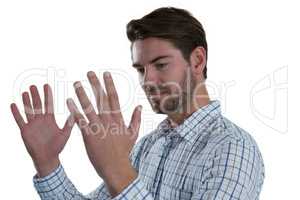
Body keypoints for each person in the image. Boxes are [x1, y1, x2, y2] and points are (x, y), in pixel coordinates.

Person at [10, 7, 265, 199]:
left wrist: (118, 171)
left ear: (197, 61)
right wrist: (47, 163)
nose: (147, 80)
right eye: (141, 69)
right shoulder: (148, 147)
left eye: (161, 64)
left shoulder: (234, 149)